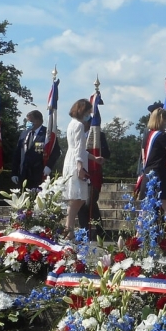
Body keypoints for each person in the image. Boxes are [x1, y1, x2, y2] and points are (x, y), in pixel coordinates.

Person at [63, 99, 93, 233]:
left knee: (77, 199)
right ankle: (68, 229)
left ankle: (69, 228)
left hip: (71, 158)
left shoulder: (71, 124)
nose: (89, 114)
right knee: (77, 198)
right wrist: (80, 166)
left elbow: (77, 148)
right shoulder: (80, 125)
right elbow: (79, 147)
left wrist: (93, 158)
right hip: (76, 161)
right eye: (88, 111)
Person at [12, 109, 57, 191]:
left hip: (38, 175)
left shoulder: (47, 134)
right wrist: (14, 173)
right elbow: (17, 154)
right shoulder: (24, 133)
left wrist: (49, 166)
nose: (28, 123)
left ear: (38, 120)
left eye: (30, 121)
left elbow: (56, 151)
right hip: (23, 174)